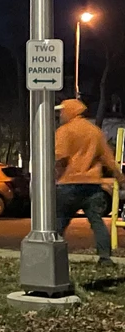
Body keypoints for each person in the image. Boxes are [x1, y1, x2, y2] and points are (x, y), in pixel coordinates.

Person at [55, 98, 125, 266]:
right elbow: (108, 158)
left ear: (69, 111)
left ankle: (52, 255)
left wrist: (56, 176)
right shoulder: (95, 131)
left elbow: (60, 157)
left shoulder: (65, 131)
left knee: (59, 221)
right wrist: (120, 178)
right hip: (92, 185)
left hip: (69, 184)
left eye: (61, 112)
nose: (60, 115)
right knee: (96, 221)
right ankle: (105, 257)